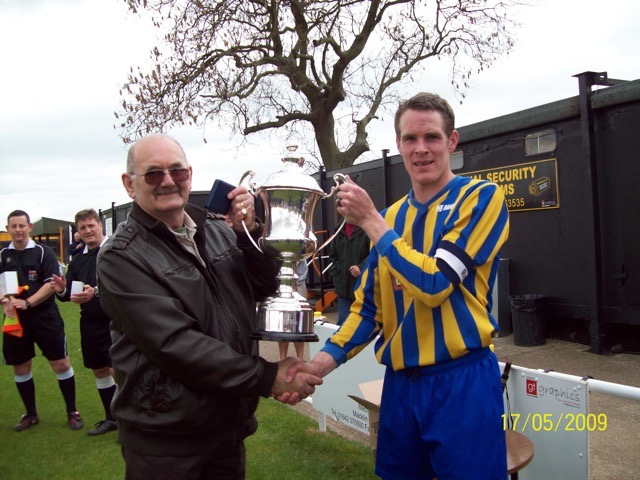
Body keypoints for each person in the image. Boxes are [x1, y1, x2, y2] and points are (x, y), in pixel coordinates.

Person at [282, 93, 510, 479]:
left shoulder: (481, 198)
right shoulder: (391, 218)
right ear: (400, 143)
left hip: (462, 381)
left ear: (451, 142)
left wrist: (371, 221)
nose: (421, 149)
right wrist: (316, 365)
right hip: (401, 385)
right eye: (410, 139)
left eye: (432, 137)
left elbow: (437, 281)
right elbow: (369, 310)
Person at [96, 134, 321, 480]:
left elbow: (264, 287)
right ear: (129, 184)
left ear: (190, 174)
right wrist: (267, 376)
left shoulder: (219, 231)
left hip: (228, 433)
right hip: (166, 444)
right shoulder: (121, 256)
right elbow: (176, 345)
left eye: (177, 171)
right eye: (153, 174)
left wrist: (250, 235)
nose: (168, 181)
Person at [0, 210, 84, 432]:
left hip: (45, 318)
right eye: (13, 226)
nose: (18, 230)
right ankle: (31, 414)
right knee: (21, 367)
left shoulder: (42, 252)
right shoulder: (2, 255)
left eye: (21, 225)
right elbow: (1, 286)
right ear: (8, 229)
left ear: (29, 227)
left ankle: (72, 411)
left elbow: (49, 285)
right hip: (14, 319)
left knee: (61, 363)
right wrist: (4, 299)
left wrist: (27, 304)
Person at [50, 209, 117, 436]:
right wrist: (61, 289)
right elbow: (70, 291)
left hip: (116, 323)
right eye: (82, 228)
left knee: (118, 371)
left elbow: (124, 285)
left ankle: (132, 423)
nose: (88, 231)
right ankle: (111, 418)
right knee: (99, 371)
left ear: (101, 226)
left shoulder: (116, 251)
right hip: (89, 323)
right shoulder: (78, 260)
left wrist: (96, 292)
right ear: (78, 232)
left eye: (91, 226)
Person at [328, 222, 370, 325]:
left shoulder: (366, 229)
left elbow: (374, 253)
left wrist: (360, 267)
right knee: (343, 321)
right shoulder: (339, 230)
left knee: (361, 321)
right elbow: (333, 255)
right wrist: (336, 272)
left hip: (361, 284)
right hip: (342, 284)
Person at [278, 260, 308, 360]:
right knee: (283, 325)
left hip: (299, 284)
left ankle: (300, 358)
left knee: (299, 324)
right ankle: (282, 358)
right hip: (282, 284)